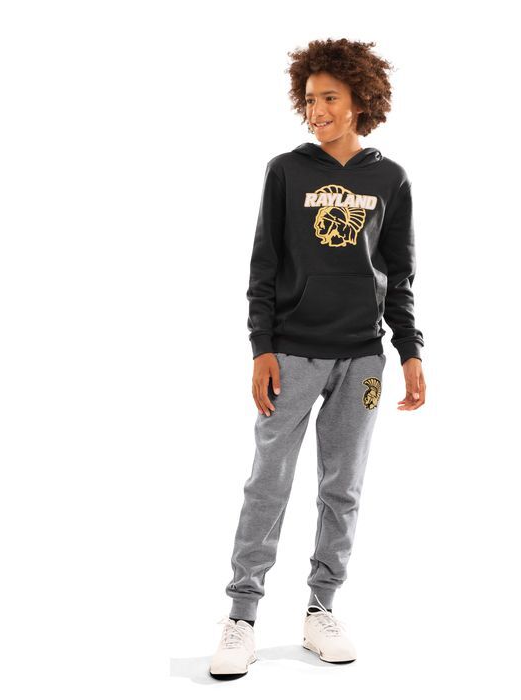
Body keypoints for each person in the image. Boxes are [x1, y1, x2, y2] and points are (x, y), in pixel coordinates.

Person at [209, 37, 426, 681]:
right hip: (293, 355)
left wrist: (409, 351)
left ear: (361, 100)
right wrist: (261, 348)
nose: (317, 110)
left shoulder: (390, 178)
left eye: (330, 97)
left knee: (342, 487)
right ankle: (242, 616)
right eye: (309, 99)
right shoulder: (286, 171)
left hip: (362, 360)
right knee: (268, 482)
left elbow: (399, 275)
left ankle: (320, 609)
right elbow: (264, 266)